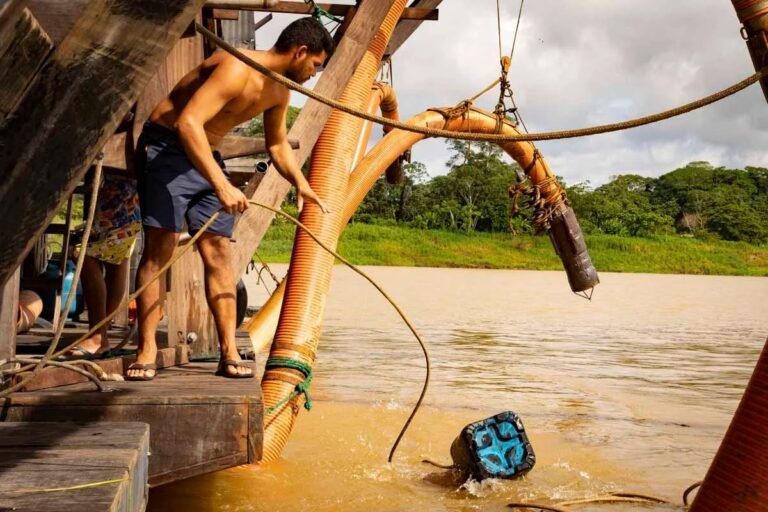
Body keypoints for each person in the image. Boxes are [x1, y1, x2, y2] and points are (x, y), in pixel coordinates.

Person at [127, 17, 335, 381]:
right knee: (160, 248)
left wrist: (300, 183)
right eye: (315, 65)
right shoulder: (236, 67)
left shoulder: (279, 91)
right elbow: (187, 123)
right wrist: (222, 185)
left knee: (218, 252)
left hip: (206, 153)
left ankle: (228, 350)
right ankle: (146, 348)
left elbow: (277, 144)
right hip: (167, 146)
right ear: (300, 52)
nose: (313, 74)